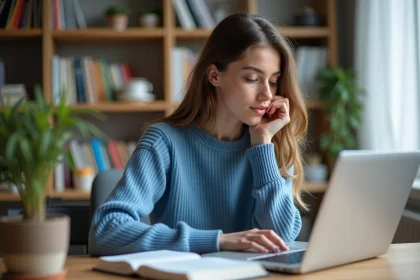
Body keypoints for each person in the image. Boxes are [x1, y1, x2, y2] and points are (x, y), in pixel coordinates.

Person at [89, 12, 308, 257]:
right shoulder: (164, 141)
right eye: (252, 78)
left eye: (274, 81)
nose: (266, 94)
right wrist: (218, 241)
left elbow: (281, 238)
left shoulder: (270, 144)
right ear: (214, 76)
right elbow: (105, 232)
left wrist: (262, 146)